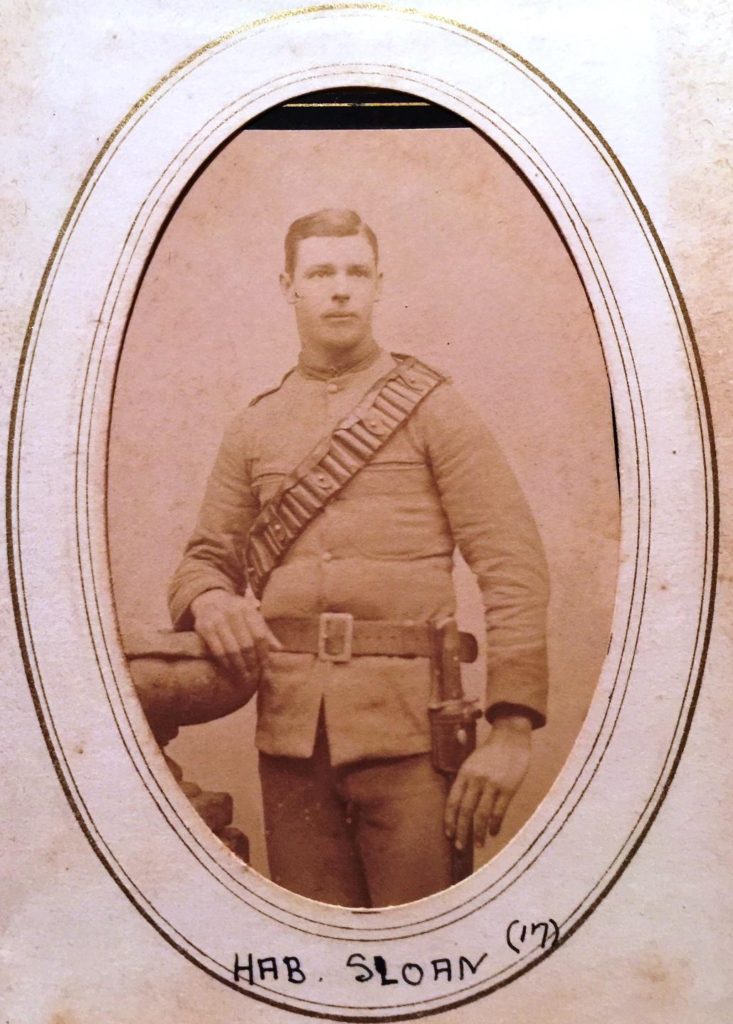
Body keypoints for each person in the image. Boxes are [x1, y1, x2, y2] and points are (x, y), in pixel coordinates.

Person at [168, 208, 549, 907]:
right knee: (313, 966)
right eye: (320, 273)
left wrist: (511, 729)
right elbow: (202, 561)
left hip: (410, 732)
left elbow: (512, 566)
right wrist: (211, 600)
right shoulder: (254, 425)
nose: (339, 289)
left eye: (355, 272)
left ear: (378, 285)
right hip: (290, 742)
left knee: (421, 964)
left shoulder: (435, 409)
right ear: (289, 286)